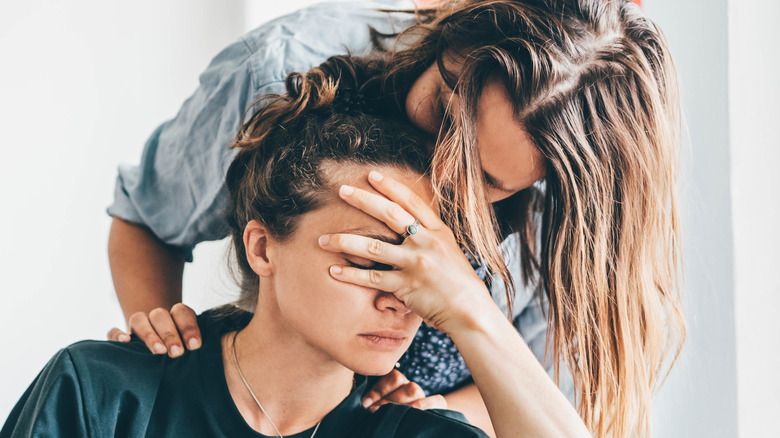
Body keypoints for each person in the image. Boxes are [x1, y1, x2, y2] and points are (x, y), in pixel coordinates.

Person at [107, 1, 685, 436]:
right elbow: (147, 220)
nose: (439, 174)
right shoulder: (277, 68)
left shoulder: (566, 203)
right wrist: (164, 352)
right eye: (442, 112)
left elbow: (538, 390)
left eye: (483, 180)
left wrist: (430, 410)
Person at [1, 59, 494, 438]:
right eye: (368, 258)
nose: (401, 299)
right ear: (262, 248)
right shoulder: (98, 394)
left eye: (417, 267)